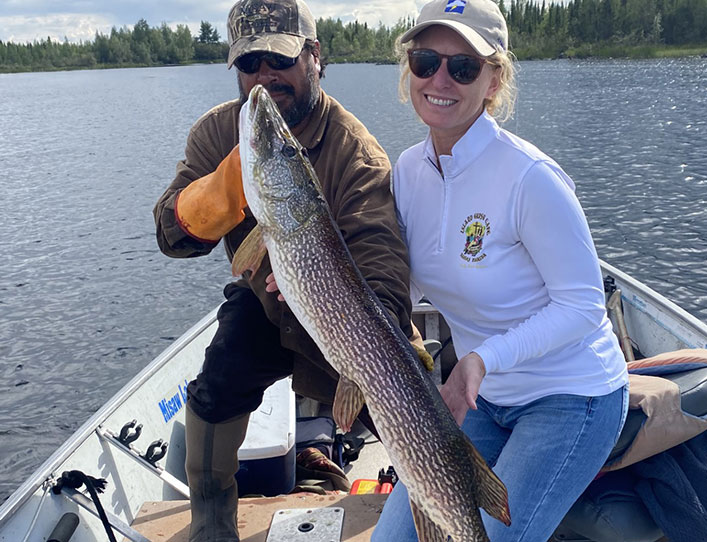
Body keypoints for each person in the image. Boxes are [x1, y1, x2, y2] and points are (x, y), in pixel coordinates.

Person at [153, 1, 429, 540]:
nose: (263, 77)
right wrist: (218, 194)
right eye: (249, 62)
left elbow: (382, 268)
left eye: (279, 60)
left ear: (314, 57)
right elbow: (170, 237)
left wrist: (363, 346)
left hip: (351, 324)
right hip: (268, 306)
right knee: (216, 384)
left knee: (417, 419)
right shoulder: (221, 133)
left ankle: (423, 504)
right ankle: (212, 521)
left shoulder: (357, 153)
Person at [370, 0, 630, 540]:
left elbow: (583, 306)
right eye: (425, 61)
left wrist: (483, 359)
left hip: (571, 394)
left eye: (463, 67)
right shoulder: (408, 172)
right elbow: (409, 281)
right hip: (484, 399)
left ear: (493, 80)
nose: (440, 79)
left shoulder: (530, 178)